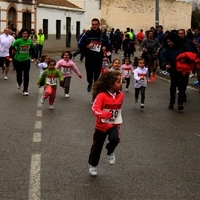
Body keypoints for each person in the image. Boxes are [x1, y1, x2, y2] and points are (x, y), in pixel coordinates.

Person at [88, 70, 124, 176]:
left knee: (115, 139)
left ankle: (110, 150)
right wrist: (101, 114)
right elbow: (95, 108)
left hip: (114, 124)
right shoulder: (101, 95)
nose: (121, 83)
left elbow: (118, 110)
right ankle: (93, 165)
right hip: (101, 125)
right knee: (97, 146)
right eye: (118, 81)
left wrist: (115, 119)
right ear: (111, 83)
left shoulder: (121, 95)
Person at [161, 32, 196, 110]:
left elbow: (193, 54)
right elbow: (163, 57)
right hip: (173, 69)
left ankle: (180, 102)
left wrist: (186, 60)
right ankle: (172, 101)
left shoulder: (185, 46)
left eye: (170, 41)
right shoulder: (167, 49)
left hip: (184, 69)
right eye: (168, 41)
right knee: (173, 85)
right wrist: (165, 64)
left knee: (182, 85)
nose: (169, 43)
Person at [78, 18, 111, 94]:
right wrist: (87, 46)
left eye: (96, 24)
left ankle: (95, 92)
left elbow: (109, 44)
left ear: (99, 25)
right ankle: (90, 83)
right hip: (89, 58)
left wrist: (105, 47)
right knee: (89, 75)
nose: (94, 26)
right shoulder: (87, 34)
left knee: (96, 76)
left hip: (98, 58)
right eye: (93, 24)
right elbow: (80, 44)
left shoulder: (103, 35)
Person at [9, 28, 35, 96]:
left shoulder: (30, 42)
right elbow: (11, 48)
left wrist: (33, 56)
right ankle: (19, 82)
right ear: (21, 34)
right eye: (24, 33)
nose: (25, 35)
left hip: (26, 60)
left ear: (28, 34)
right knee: (19, 74)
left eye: (26, 33)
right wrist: (12, 56)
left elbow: (32, 49)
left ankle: (25, 90)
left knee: (26, 75)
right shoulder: (18, 41)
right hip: (18, 60)